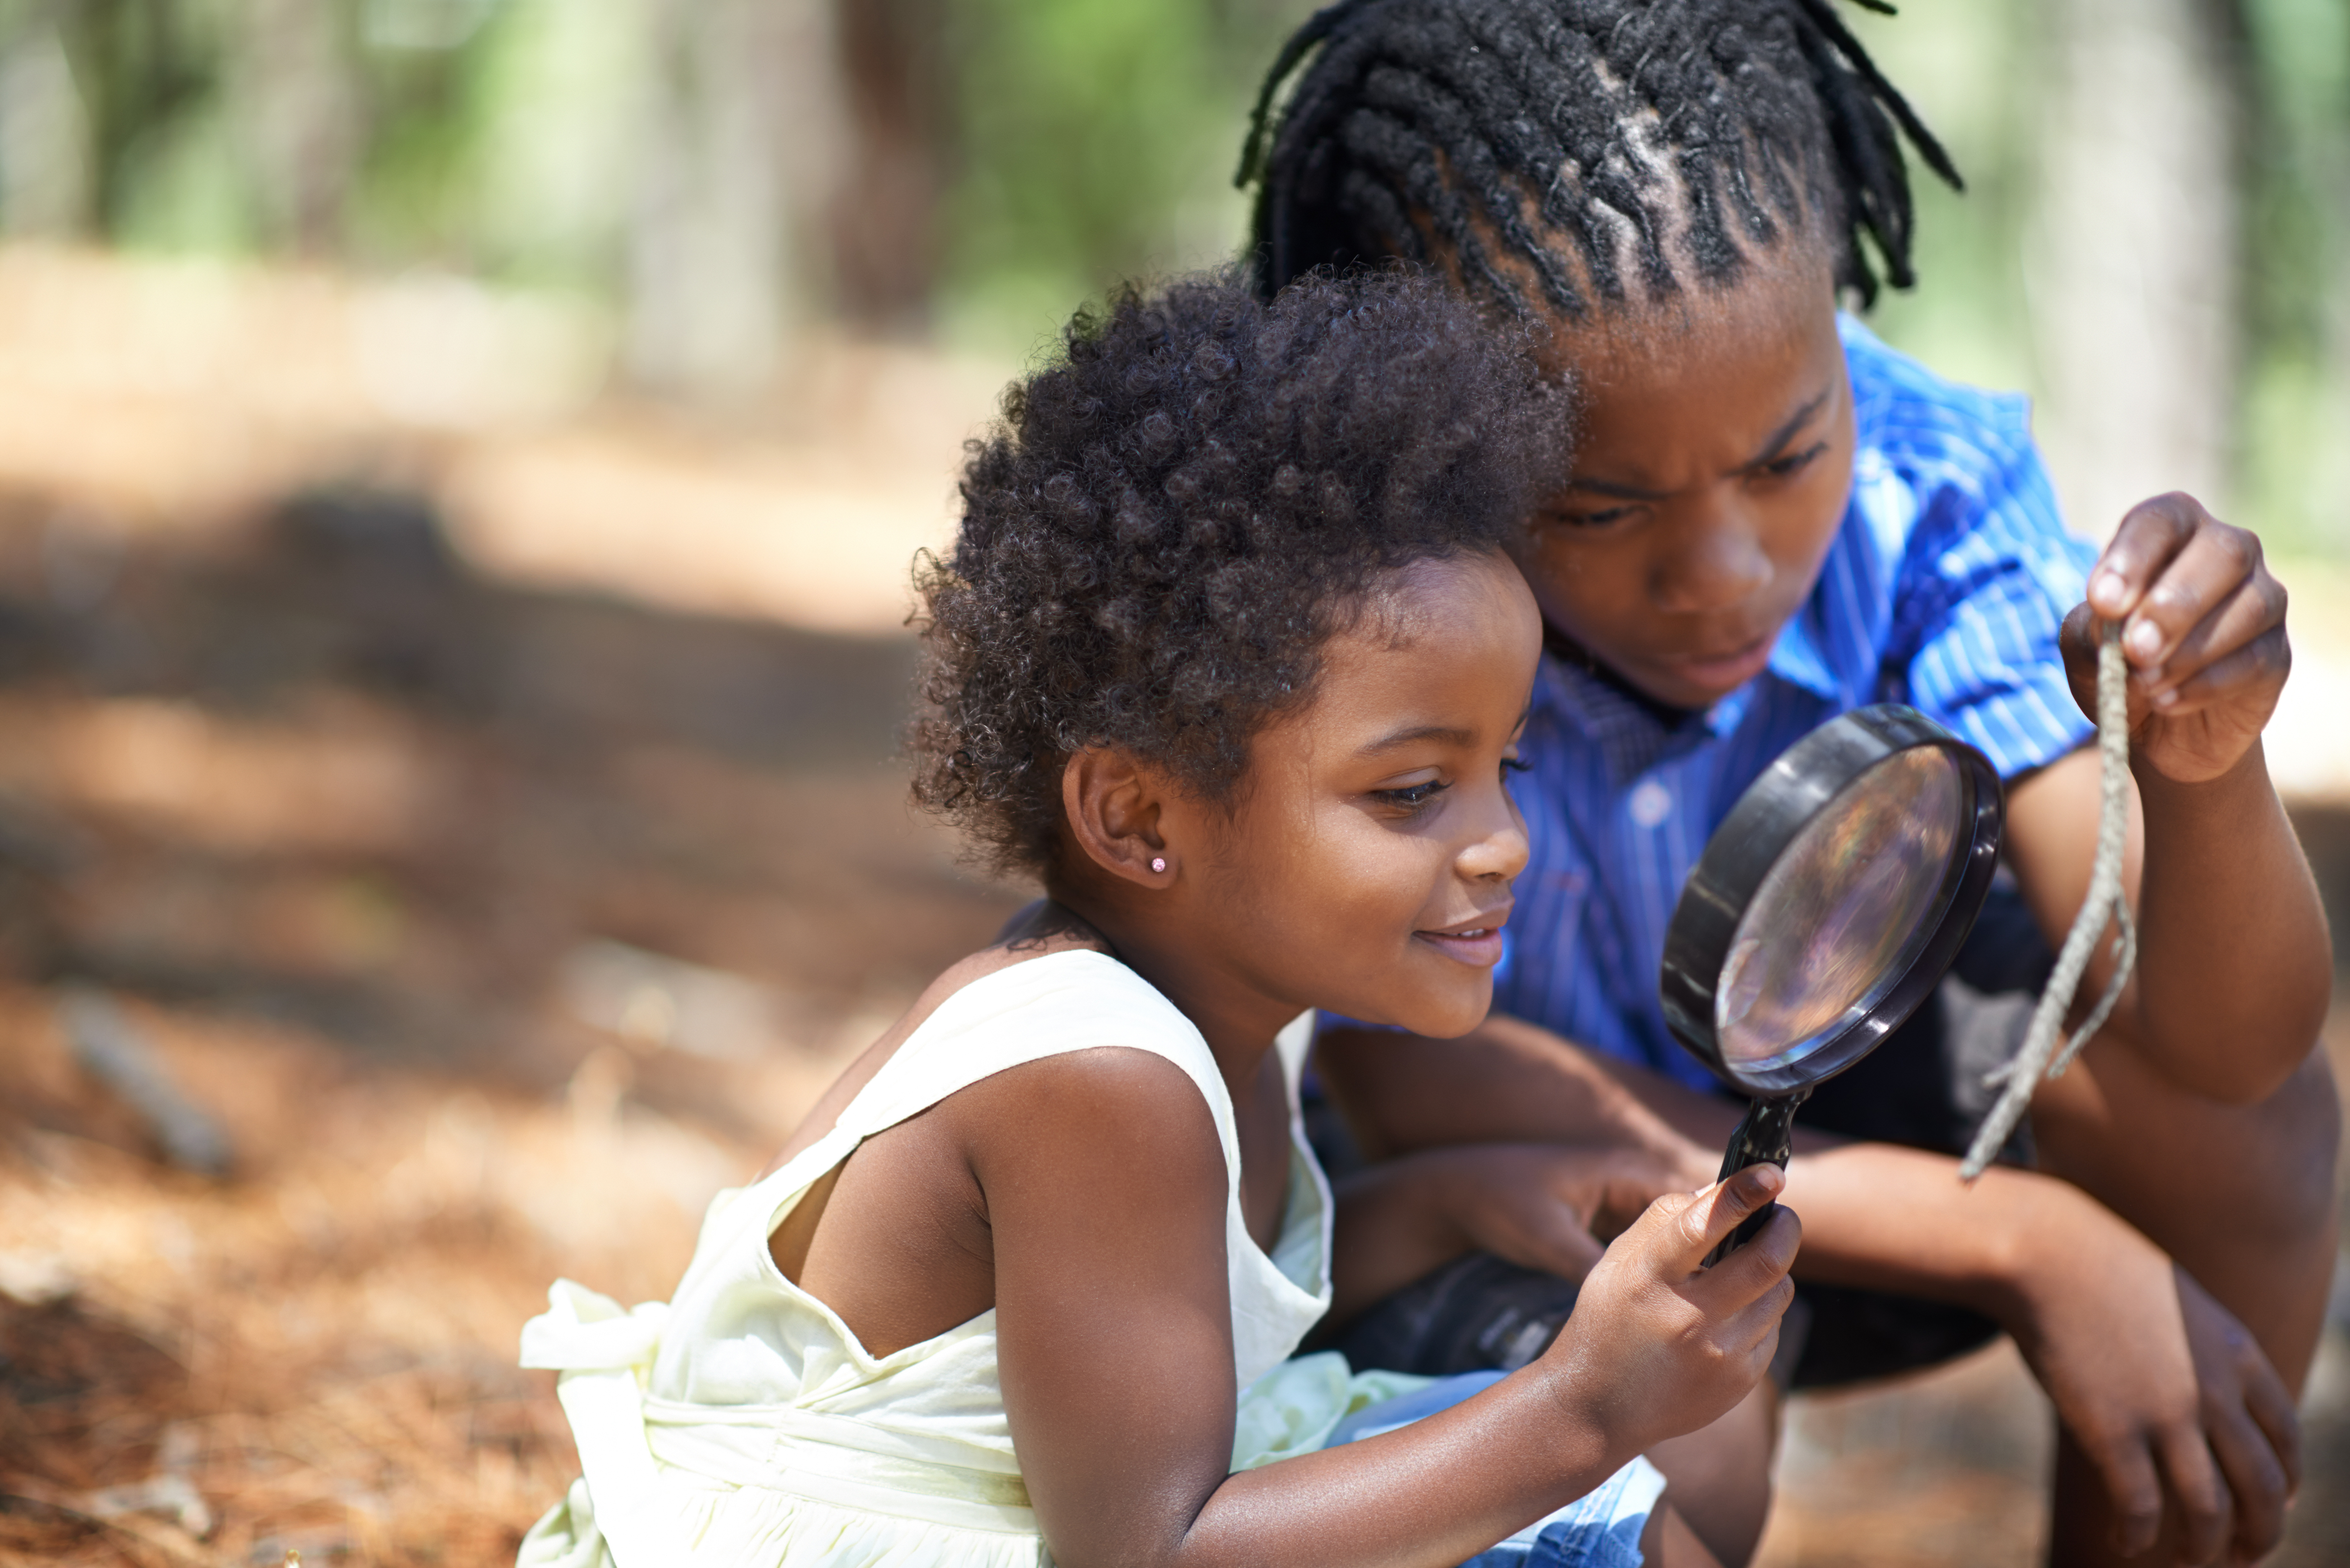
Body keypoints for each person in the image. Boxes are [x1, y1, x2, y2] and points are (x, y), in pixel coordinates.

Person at [1239, 4, 2340, 1565]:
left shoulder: (1922, 485)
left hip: (1858, 1123)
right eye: (1602, 507)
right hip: (1527, 1196)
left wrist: (2202, 778)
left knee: (2252, 1129)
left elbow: (2234, 1051)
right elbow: (1423, 1087)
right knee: (1679, 1446)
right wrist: (2028, 1241)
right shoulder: (1379, 583)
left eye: (1786, 452)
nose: (1726, 574)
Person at [510, 268, 1799, 1568]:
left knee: (1687, 1455)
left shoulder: (1219, 992)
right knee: (1618, 1515)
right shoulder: (1098, 1074)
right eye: (1412, 789)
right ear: (1136, 818)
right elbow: (1147, 1551)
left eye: (1504, 769)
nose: (1501, 843)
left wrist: (1450, 1200)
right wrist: (1581, 1404)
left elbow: (1161, 1320)